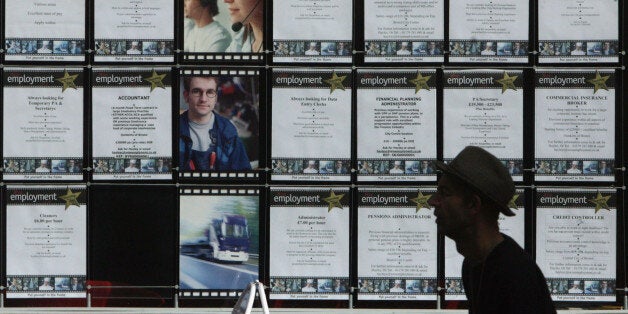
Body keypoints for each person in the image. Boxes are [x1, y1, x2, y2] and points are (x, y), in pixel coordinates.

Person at [428, 146, 555, 313]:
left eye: (444, 193)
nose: (432, 201)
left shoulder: (514, 274)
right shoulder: (474, 263)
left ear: (473, 204)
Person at [180, 76, 251, 171]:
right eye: (196, 91)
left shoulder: (228, 132)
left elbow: (244, 175)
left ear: (216, 98)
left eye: (210, 92)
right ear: (186, 96)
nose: (203, 99)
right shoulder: (171, 130)